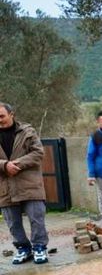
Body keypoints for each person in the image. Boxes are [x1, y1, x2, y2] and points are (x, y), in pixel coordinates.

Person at [0, 102, 49, 265]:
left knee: (37, 218)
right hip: (5, 186)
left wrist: (17, 164)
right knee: (13, 223)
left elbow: (38, 153)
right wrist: (4, 165)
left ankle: (40, 247)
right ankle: (23, 249)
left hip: (29, 184)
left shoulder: (28, 131)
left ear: (11, 114)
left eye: (1, 116)